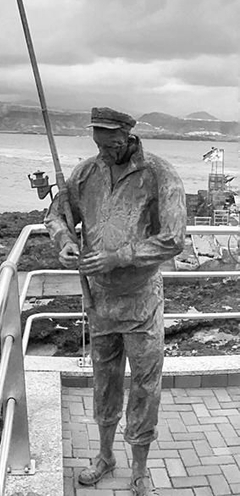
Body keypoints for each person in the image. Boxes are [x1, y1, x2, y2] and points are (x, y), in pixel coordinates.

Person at [46, 107, 186, 495]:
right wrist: (65, 242)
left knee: (145, 385)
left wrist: (119, 255)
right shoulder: (87, 173)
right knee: (104, 383)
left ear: (127, 138)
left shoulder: (160, 175)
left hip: (142, 304)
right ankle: (105, 456)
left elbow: (174, 238)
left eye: (110, 145)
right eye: (98, 145)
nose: (104, 152)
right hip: (100, 304)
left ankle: (139, 467)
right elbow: (55, 215)